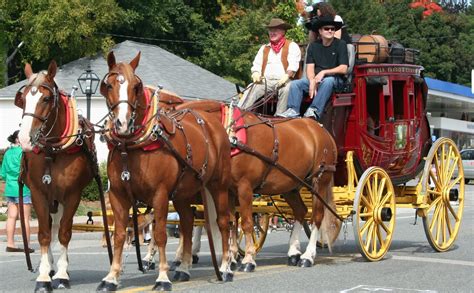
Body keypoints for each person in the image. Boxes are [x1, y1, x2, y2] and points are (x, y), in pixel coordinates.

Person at [279, 15, 348, 120]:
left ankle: (314, 110)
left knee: (328, 81)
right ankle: (293, 110)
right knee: (295, 84)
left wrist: (324, 72)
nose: (330, 31)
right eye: (326, 29)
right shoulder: (313, 46)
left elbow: (344, 68)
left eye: (332, 29)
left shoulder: (341, 44)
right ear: (320, 31)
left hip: (336, 80)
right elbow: (310, 68)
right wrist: (311, 80)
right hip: (317, 80)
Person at [238, 18, 301, 116]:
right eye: (270, 30)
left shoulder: (292, 46)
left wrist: (286, 76)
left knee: (288, 88)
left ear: (283, 31)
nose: (272, 32)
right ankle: (238, 114)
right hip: (265, 81)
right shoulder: (264, 48)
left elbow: (293, 65)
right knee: (251, 87)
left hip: (285, 81)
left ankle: (279, 117)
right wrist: (256, 73)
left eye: (275, 30)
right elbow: (256, 65)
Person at [1, 130, 34, 253]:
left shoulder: (7, 153)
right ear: (17, 139)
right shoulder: (24, 152)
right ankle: (26, 245)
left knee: (11, 217)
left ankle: (10, 244)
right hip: (23, 188)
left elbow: (3, 173)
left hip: (10, 188)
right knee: (25, 218)